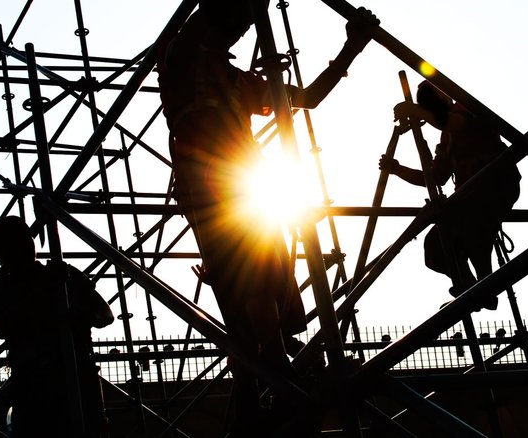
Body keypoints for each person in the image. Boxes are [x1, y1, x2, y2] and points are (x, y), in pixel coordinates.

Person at [157, 0, 377, 434]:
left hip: (240, 178)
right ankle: (276, 369)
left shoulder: (233, 80)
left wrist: (352, 49)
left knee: (259, 272)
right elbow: (196, 28)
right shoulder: (182, 60)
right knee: (251, 271)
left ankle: (271, 375)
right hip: (214, 181)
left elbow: (305, 98)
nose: (236, 35)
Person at [379, 81, 521, 311]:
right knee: (437, 247)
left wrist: (414, 110)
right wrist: (397, 169)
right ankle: (471, 288)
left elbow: (455, 123)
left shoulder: (464, 110)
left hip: (495, 186)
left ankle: (483, 288)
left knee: (474, 235)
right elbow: (435, 178)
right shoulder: (446, 136)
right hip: (469, 199)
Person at [0, 216, 115, 438]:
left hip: (75, 375)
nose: (24, 247)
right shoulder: (1, 290)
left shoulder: (64, 274)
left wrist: (79, 316)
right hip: (35, 383)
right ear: (1, 253)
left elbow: (105, 314)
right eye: (13, 243)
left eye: (25, 239)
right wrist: (45, 293)